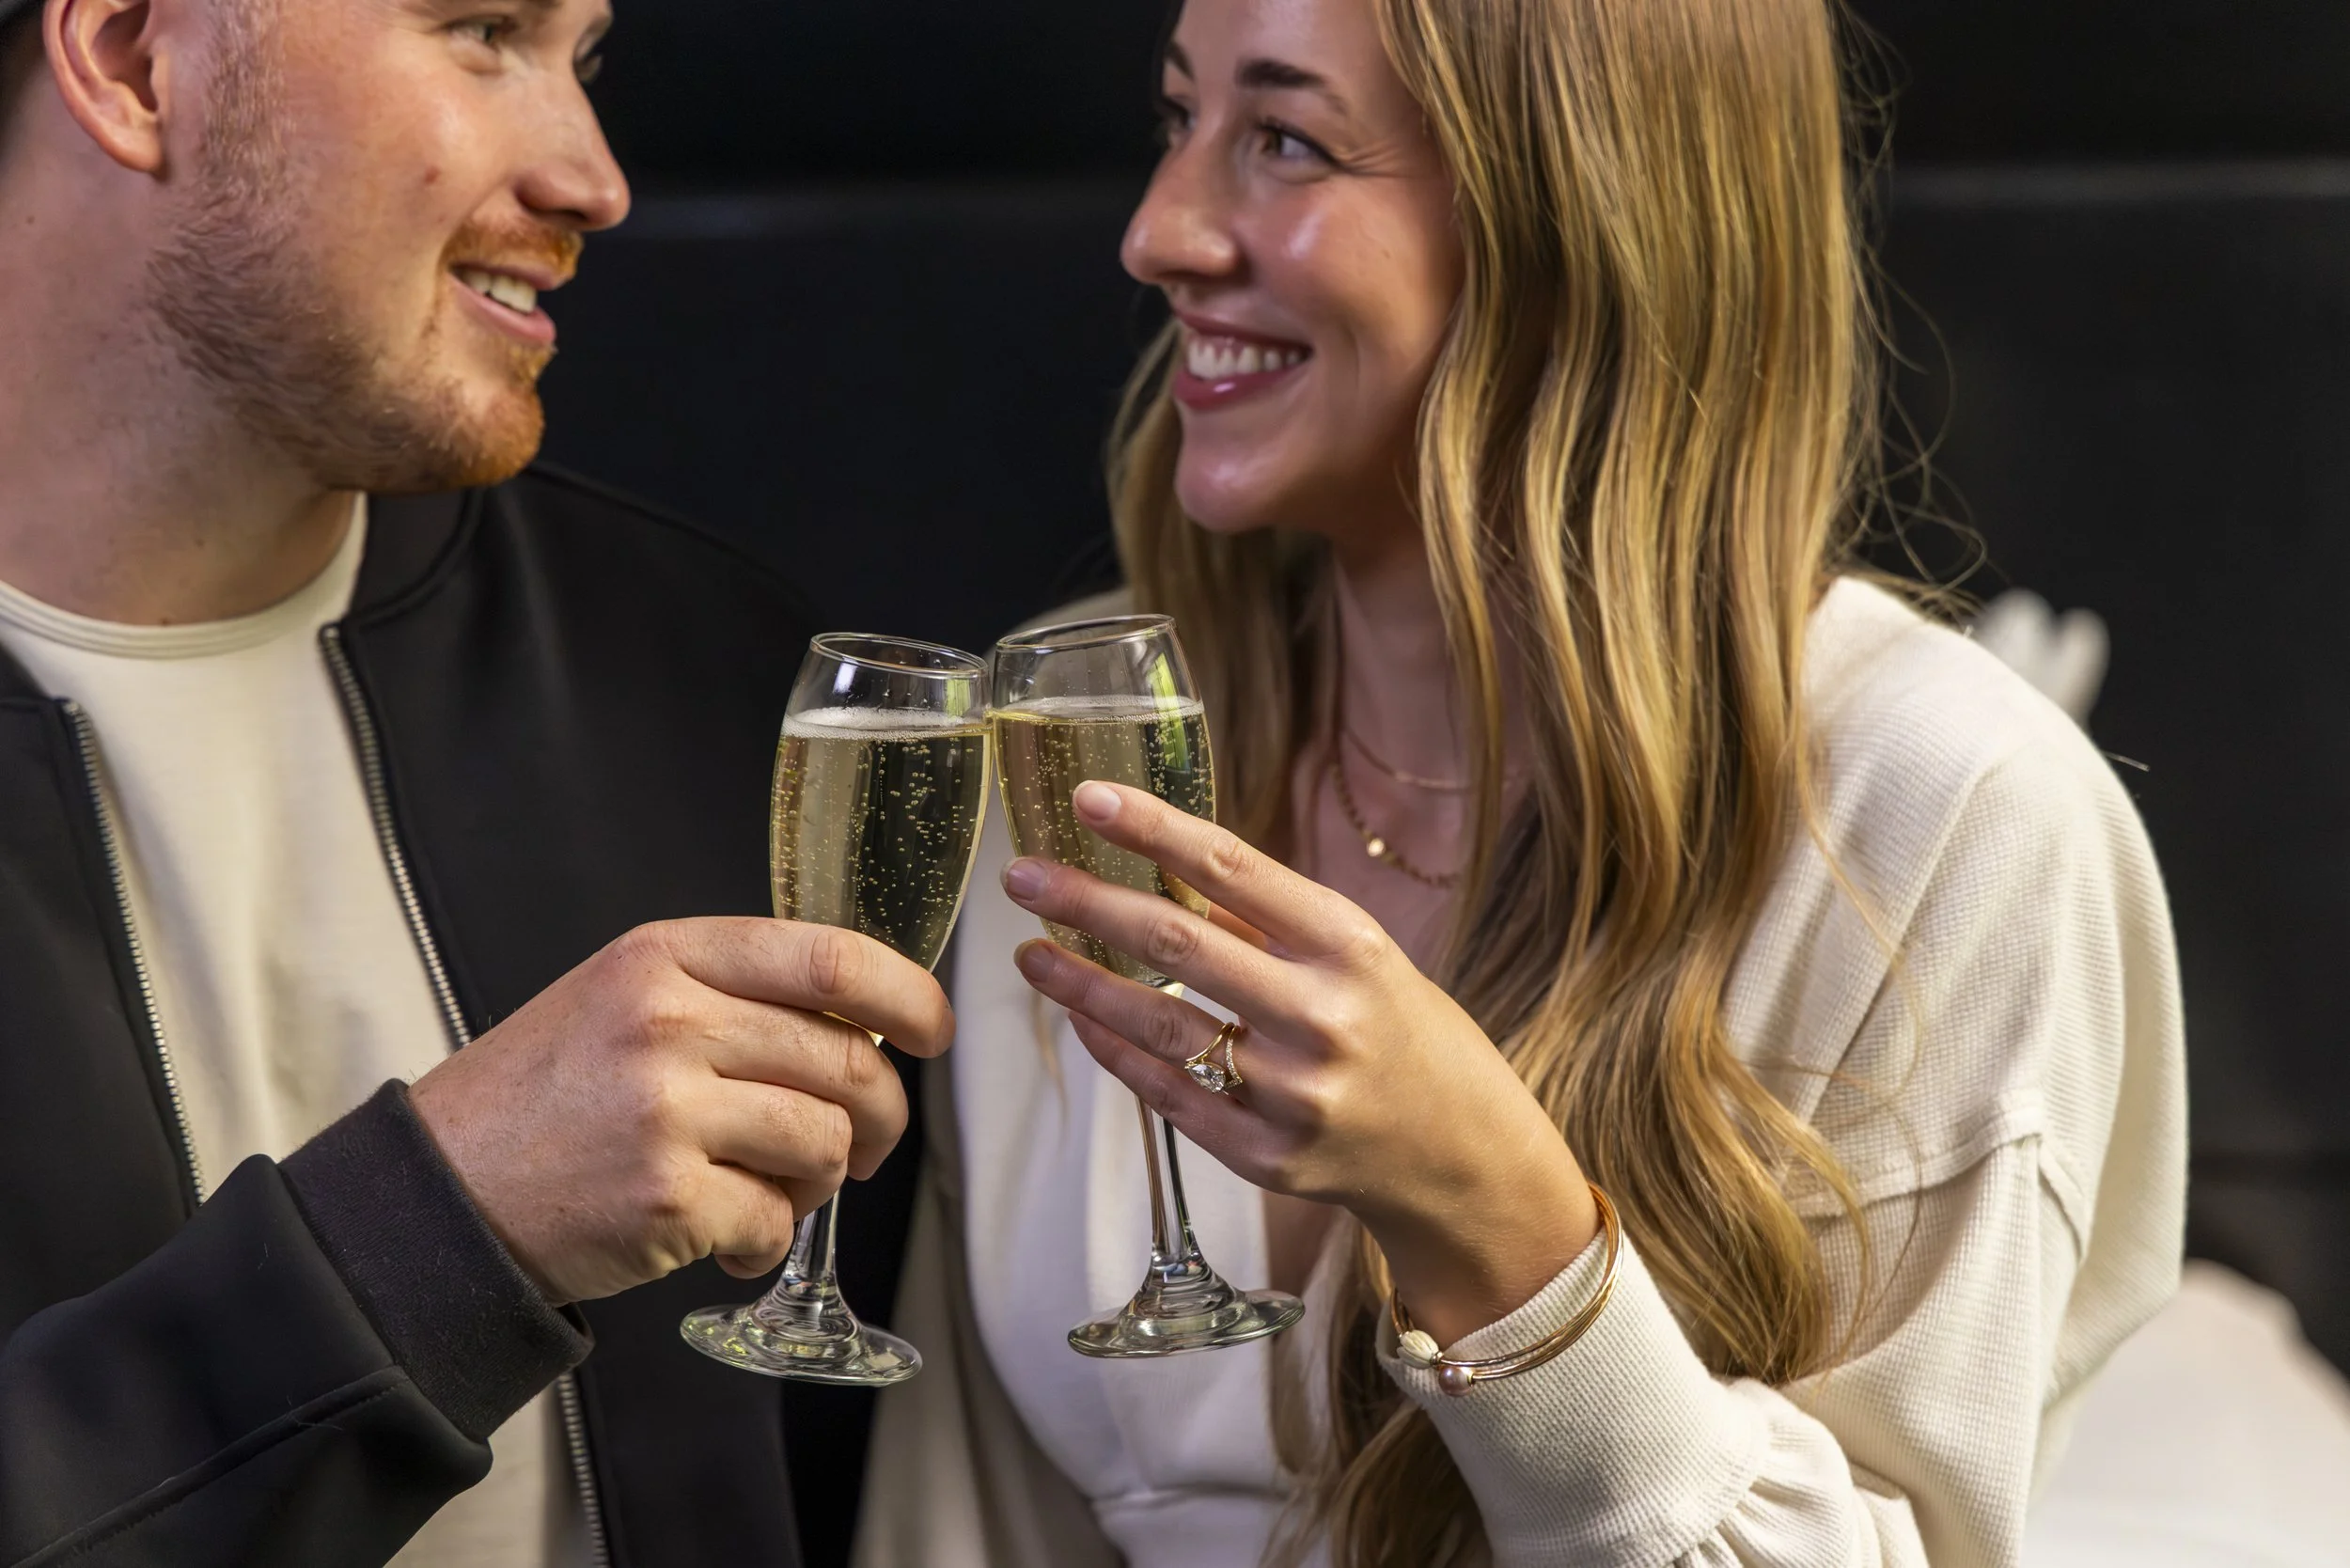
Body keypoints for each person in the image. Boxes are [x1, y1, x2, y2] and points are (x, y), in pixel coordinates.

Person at [854, 0, 2186, 1564]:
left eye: (1285, 138)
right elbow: (968, 1517)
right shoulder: (1087, 723)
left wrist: (1502, 1235)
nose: (1160, 231)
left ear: (1580, 218)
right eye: (1177, 121)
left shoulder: (1952, 816)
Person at [0, 1, 951, 1564]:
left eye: (586, 60)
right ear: (127, 59)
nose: (594, 176)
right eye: (483, 31)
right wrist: (442, 1238)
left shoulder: (712, 678)